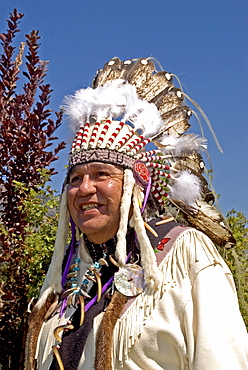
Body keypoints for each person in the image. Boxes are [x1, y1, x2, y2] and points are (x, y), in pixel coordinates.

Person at [25, 57, 248, 370]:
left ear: (137, 186)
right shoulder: (67, 278)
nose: (84, 188)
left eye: (101, 174)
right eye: (75, 178)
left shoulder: (184, 254)